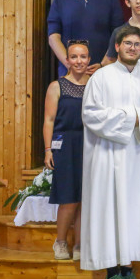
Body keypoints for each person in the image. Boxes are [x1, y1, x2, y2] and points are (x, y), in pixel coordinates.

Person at [80, 26, 140, 279]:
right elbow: (91, 114)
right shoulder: (101, 77)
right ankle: (112, 274)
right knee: (110, 210)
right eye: (128, 43)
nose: (133, 48)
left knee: (136, 211)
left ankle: (128, 270)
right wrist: (133, 117)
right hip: (109, 156)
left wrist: (136, 119)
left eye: (137, 44)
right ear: (117, 46)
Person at [43, 40, 90, 261]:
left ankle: (79, 244)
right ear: (67, 60)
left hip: (90, 143)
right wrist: (48, 150)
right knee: (69, 198)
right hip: (65, 144)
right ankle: (60, 242)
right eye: (74, 57)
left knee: (85, 197)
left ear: (89, 60)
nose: (79, 61)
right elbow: (49, 120)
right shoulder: (57, 86)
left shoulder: (95, 85)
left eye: (83, 56)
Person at [48, 0, 123, 77]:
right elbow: (53, 37)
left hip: (103, 72)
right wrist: (69, 64)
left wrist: (103, 64)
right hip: (69, 74)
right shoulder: (60, 0)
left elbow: (119, 35)